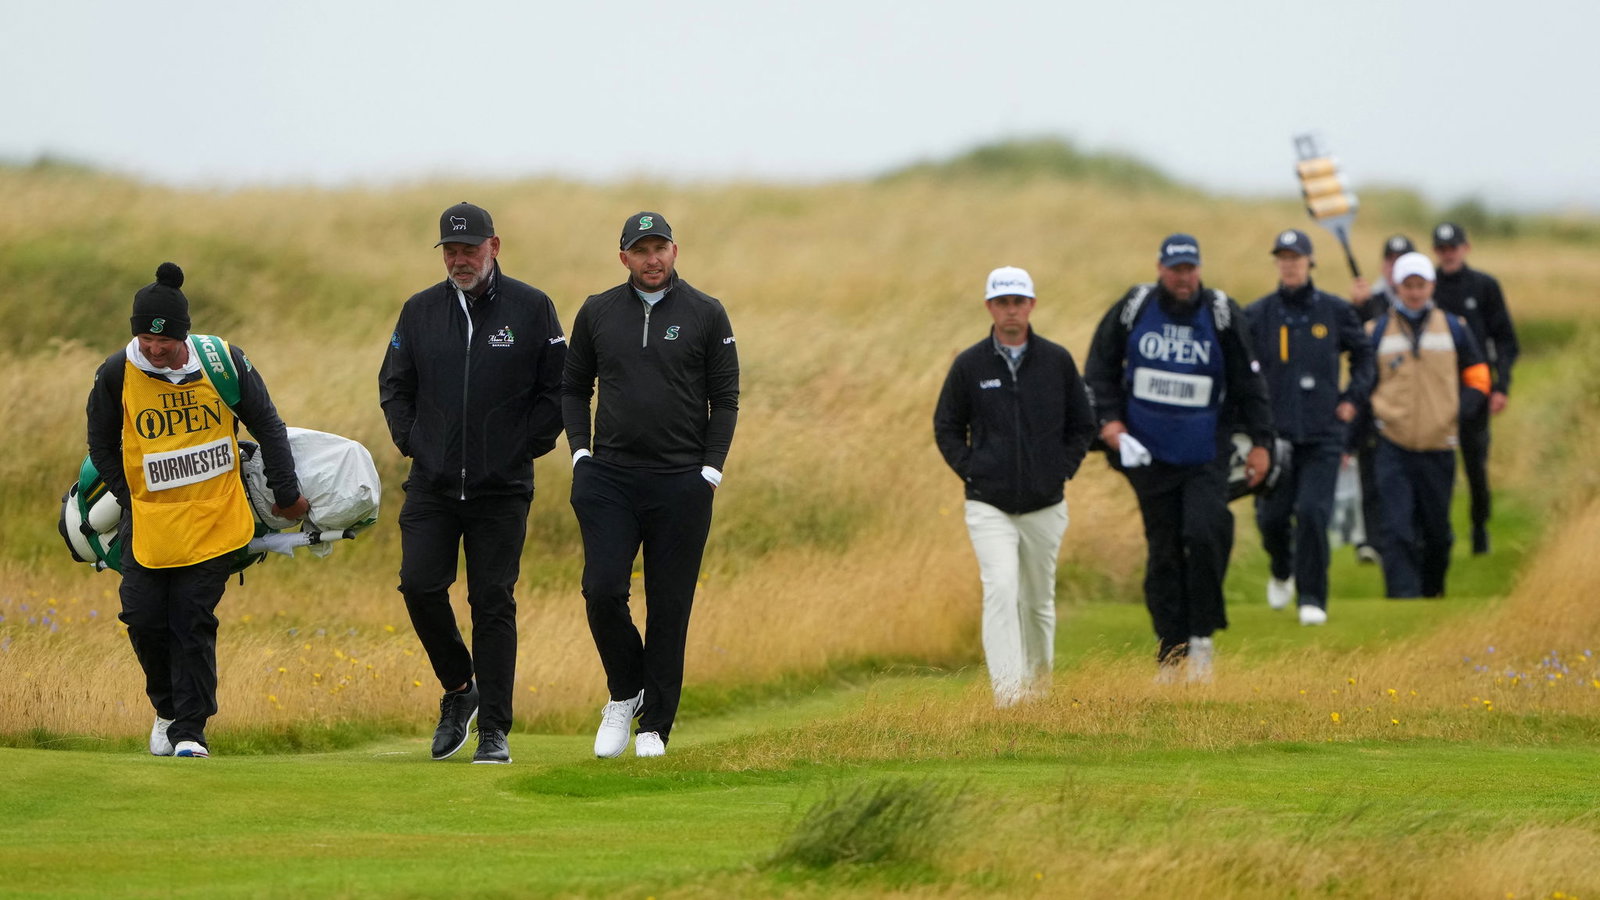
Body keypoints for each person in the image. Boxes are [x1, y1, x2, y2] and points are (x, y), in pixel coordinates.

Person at [86, 262, 307, 759]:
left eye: (163, 341)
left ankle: (190, 729)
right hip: (147, 522)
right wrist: (132, 498)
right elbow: (100, 445)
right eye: (145, 338)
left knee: (192, 618)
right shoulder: (116, 372)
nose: (155, 349)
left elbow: (268, 426)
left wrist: (286, 493)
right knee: (142, 618)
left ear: (182, 335)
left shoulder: (224, 362)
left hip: (215, 516)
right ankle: (166, 711)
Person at [378, 202, 567, 765]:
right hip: (432, 484)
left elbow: (557, 390)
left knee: (492, 602)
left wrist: (522, 447)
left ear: (494, 246)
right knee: (418, 586)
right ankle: (461, 690)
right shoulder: (419, 312)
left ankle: (495, 731)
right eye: (451, 251)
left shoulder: (533, 309)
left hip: (501, 489)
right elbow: (395, 385)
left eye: (470, 248)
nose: (460, 260)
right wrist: (414, 441)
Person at [564, 211, 739, 758]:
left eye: (660, 247)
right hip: (609, 477)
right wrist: (581, 455)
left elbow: (725, 399)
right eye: (641, 250)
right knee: (602, 589)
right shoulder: (597, 311)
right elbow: (573, 387)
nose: (652, 258)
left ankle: (654, 728)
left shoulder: (706, 313)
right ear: (624, 258)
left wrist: (710, 470)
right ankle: (625, 692)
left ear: (675, 251)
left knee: (669, 606)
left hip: (681, 481)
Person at [1083, 234, 1273, 681]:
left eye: (1190, 269)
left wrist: (1262, 442)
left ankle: (1201, 637)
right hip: (1147, 456)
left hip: (1205, 451)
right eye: (1175, 269)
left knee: (1205, 532)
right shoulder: (1134, 307)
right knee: (1164, 552)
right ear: (1160, 268)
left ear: (1199, 269)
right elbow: (1099, 369)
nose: (1183, 278)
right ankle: (1171, 651)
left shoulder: (1222, 313)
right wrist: (1109, 422)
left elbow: (1250, 384)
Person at [933, 266, 1097, 707]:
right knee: (1001, 590)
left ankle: (1039, 689)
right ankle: (1008, 697)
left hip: (1046, 503)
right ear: (990, 306)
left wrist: (1060, 470)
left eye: (1018, 302)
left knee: (1038, 601)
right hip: (989, 504)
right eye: (1002, 302)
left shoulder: (1056, 360)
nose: (1011, 310)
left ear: (1031, 305)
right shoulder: (970, 365)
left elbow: (1083, 424)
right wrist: (973, 470)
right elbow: (947, 426)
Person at [1242, 230, 1374, 626]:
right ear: (1277, 264)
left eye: (1296, 257)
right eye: (1283, 258)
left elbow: (1365, 356)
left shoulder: (1334, 311)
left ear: (1309, 262)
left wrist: (1352, 399)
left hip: (1323, 432)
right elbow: (1240, 370)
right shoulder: (1257, 314)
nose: (1290, 264)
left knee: (1314, 513)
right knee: (1272, 519)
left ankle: (1312, 598)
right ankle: (1282, 568)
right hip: (1275, 435)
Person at [1365, 252, 1490, 597]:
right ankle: (1402, 597)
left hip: (1439, 443)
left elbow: (1478, 375)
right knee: (1397, 528)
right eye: (1409, 285)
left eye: (1421, 285)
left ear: (1431, 286)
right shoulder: (1376, 332)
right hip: (1393, 441)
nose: (1415, 292)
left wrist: (1460, 410)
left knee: (1438, 532)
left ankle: (1431, 591)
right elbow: (1364, 383)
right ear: (1397, 287)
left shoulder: (1453, 328)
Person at [1431, 222, 1518, 555]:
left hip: (1475, 389)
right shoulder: (1428, 288)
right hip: (1435, 391)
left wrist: (1502, 386)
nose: (1448, 254)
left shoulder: (1484, 287)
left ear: (1465, 248)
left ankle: (1479, 526)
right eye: (1442, 249)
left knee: (1475, 464)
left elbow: (1505, 340)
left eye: (1453, 247)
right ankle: (1436, 532)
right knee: (1436, 466)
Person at [1347, 234, 1417, 564]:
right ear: (1383, 265)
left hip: (1410, 401)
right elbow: (1352, 344)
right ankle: (1371, 541)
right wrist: (1357, 308)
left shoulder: (1422, 300)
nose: (1394, 267)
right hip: (1369, 396)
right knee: (1369, 469)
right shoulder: (1370, 300)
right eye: (1390, 260)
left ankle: (1402, 534)